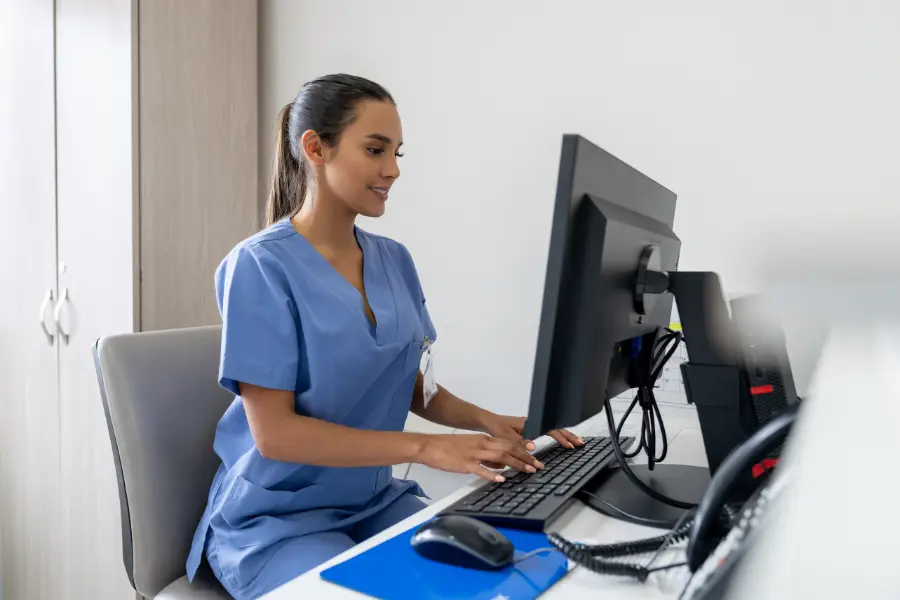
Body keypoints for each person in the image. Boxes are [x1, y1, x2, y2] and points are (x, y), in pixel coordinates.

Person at [185, 74, 583, 599]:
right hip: (278, 519)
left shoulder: (394, 260)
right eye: (375, 150)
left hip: (373, 501)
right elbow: (275, 435)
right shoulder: (259, 266)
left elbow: (410, 384)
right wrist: (428, 448)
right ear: (315, 148)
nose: (392, 169)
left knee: (507, 581)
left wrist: (496, 424)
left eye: (397, 152)